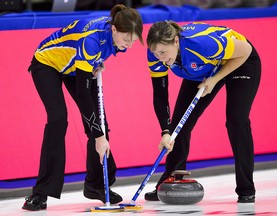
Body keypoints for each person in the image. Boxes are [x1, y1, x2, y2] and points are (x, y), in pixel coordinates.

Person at [22, 4, 143, 211]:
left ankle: (95, 185)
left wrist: (95, 62)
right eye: (126, 39)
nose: (129, 45)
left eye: (133, 40)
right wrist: (98, 137)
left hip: (73, 67)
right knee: (59, 118)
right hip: (47, 63)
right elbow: (83, 94)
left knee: (101, 122)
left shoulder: (114, 34)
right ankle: (40, 192)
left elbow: (90, 62)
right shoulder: (92, 40)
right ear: (114, 29)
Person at [144, 20, 261, 203]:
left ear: (176, 41)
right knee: (178, 127)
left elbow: (245, 50)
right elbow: (160, 94)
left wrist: (215, 79)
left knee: (236, 121)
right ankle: (170, 182)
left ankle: (246, 188)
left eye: (163, 52)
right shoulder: (156, 55)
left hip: (240, 61)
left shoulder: (201, 44)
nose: (160, 57)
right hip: (202, 67)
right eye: (155, 53)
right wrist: (166, 131)